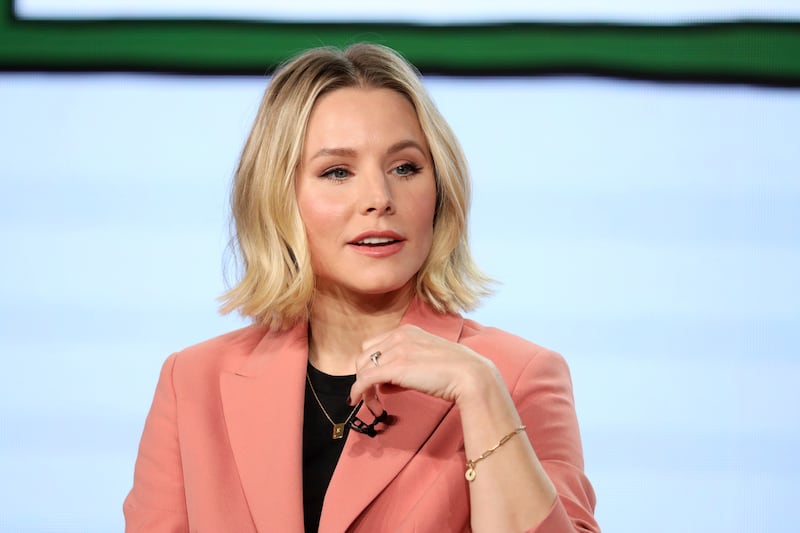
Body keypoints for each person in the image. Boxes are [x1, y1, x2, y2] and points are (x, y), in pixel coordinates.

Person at [123, 42, 599, 533]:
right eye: (337, 172)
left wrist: (480, 395)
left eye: (405, 168)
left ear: (439, 191)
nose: (379, 198)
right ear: (277, 196)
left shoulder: (517, 379)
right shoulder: (193, 383)